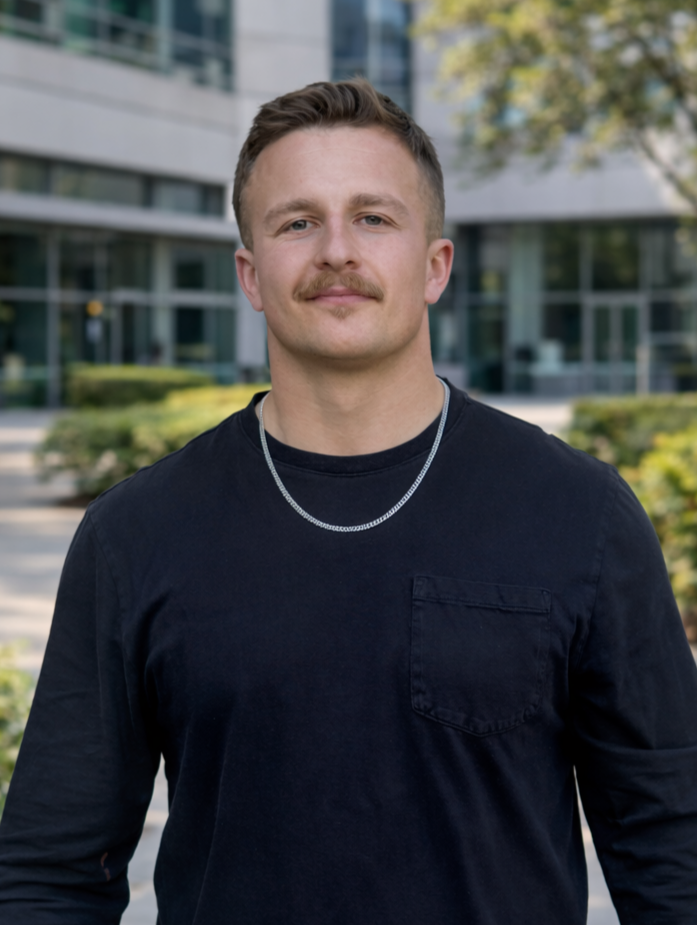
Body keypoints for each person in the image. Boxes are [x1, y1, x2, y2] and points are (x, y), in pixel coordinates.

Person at [0, 80, 696, 925]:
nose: (336, 250)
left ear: (434, 266)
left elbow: (673, 846)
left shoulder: (580, 514)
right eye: (297, 222)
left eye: (372, 217)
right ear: (251, 275)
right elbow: (51, 874)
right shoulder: (134, 533)